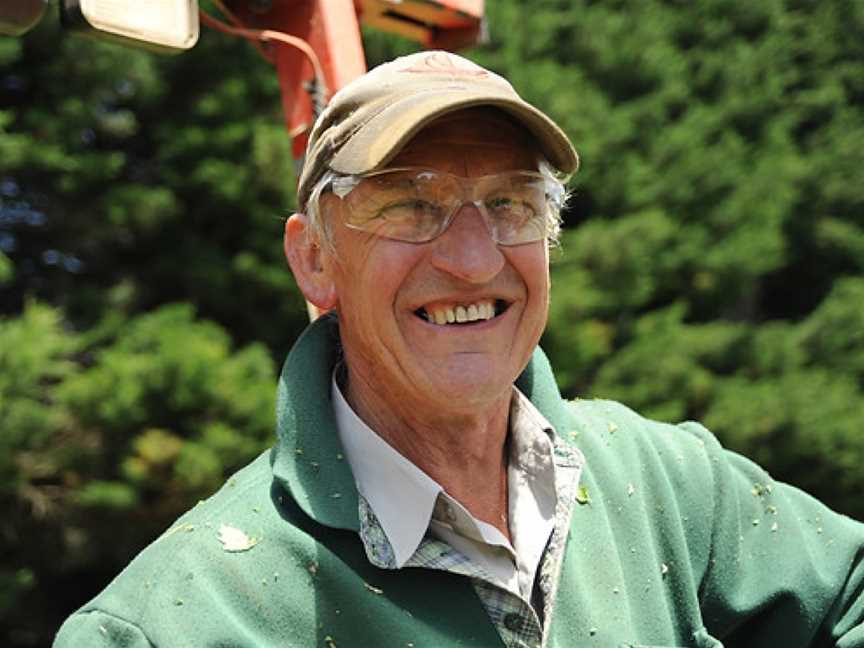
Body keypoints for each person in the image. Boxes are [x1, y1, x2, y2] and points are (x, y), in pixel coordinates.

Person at [54, 51, 864, 648]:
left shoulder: (664, 486)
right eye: (412, 205)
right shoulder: (177, 620)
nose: (475, 259)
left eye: (511, 203)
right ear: (313, 259)